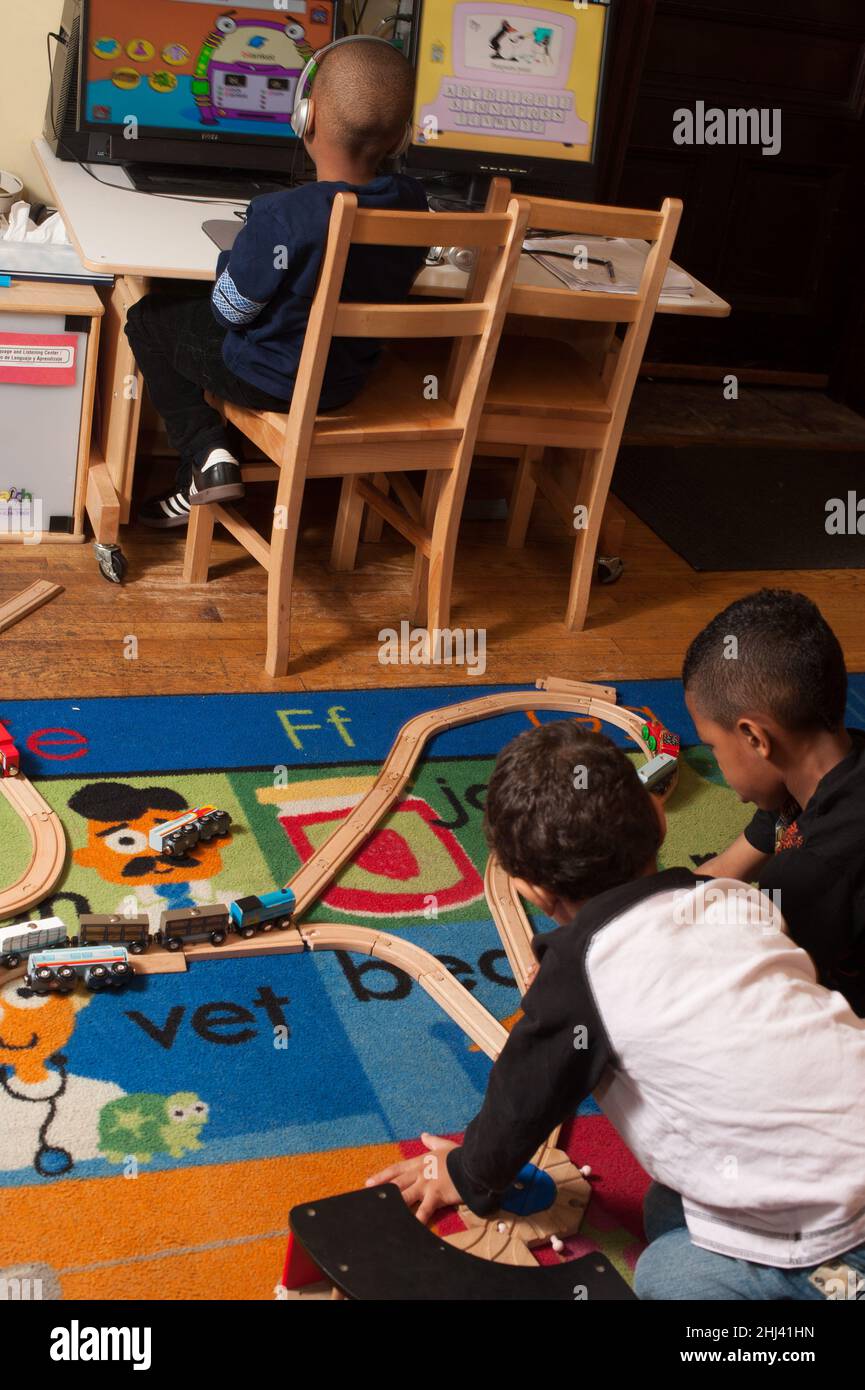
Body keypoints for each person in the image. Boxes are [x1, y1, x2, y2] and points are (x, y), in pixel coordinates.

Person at [366, 721, 865, 1299]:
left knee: (669, 1275)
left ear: (528, 889)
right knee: (669, 1209)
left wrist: (463, 1173)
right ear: (659, 819)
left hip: (842, 1235)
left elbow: (522, 1098)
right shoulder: (736, 900)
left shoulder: (584, 977)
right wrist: (572, 989)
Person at [125, 38, 428, 528]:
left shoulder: (283, 216)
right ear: (400, 139)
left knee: (147, 318)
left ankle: (206, 455)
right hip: (346, 381)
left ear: (305, 118)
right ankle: (213, 457)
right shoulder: (413, 202)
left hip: (270, 381)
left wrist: (234, 255)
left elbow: (229, 311)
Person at [683, 588, 865, 1015]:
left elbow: (753, 987)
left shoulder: (808, 870)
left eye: (712, 746)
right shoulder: (818, 774)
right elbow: (720, 875)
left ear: (754, 738)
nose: (713, 758)